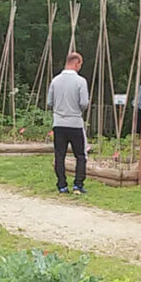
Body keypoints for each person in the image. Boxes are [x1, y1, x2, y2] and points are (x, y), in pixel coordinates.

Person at [47, 51, 89, 194]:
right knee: (80, 155)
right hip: (75, 123)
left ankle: (61, 185)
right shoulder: (80, 81)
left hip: (58, 123)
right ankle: (78, 184)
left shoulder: (55, 80)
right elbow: (84, 103)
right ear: (77, 63)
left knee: (60, 154)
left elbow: (49, 102)